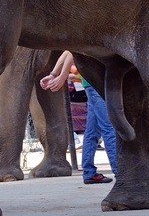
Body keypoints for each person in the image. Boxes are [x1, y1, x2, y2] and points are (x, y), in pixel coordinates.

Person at [40, 50, 118, 184]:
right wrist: (62, 76)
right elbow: (72, 51)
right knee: (108, 127)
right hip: (96, 83)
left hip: (90, 83)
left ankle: (88, 172)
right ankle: (120, 170)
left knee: (92, 132)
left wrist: (54, 74)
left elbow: (67, 50)